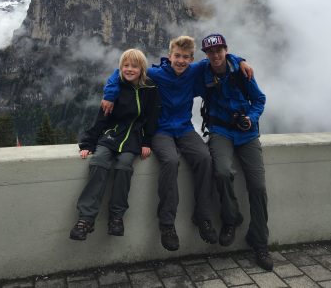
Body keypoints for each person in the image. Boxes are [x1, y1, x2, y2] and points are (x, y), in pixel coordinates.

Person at [102, 36, 253, 251]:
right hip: (160, 130)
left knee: (204, 158)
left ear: (191, 59)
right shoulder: (155, 74)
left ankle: (203, 216)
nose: (181, 61)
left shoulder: (195, 70)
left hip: (184, 128)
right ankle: (167, 224)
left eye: (185, 57)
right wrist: (109, 95)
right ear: (169, 56)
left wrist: (242, 61)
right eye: (177, 56)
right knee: (171, 161)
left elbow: (220, 59)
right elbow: (122, 73)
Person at [199, 33, 273, 271]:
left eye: (219, 50)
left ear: (226, 50)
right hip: (220, 130)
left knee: (258, 187)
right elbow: (174, 68)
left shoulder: (241, 71)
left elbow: (259, 99)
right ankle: (230, 219)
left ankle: (259, 241)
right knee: (221, 171)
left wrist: (250, 119)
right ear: (206, 55)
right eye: (211, 52)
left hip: (247, 134)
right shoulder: (203, 70)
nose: (216, 55)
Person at [69, 48, 160, 241]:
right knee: (99, 160)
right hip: (111, 135)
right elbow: (102, 118)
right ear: (120, 67)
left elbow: (152, 117)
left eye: (134, 66)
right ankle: (86, 218)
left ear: (141, 68)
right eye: (125, 65)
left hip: (134, 138)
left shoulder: (150, 88)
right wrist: (88, 143)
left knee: (124, 165)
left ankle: (116, 216)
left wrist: (146, 141)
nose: (129, 69)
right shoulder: (115, 88)